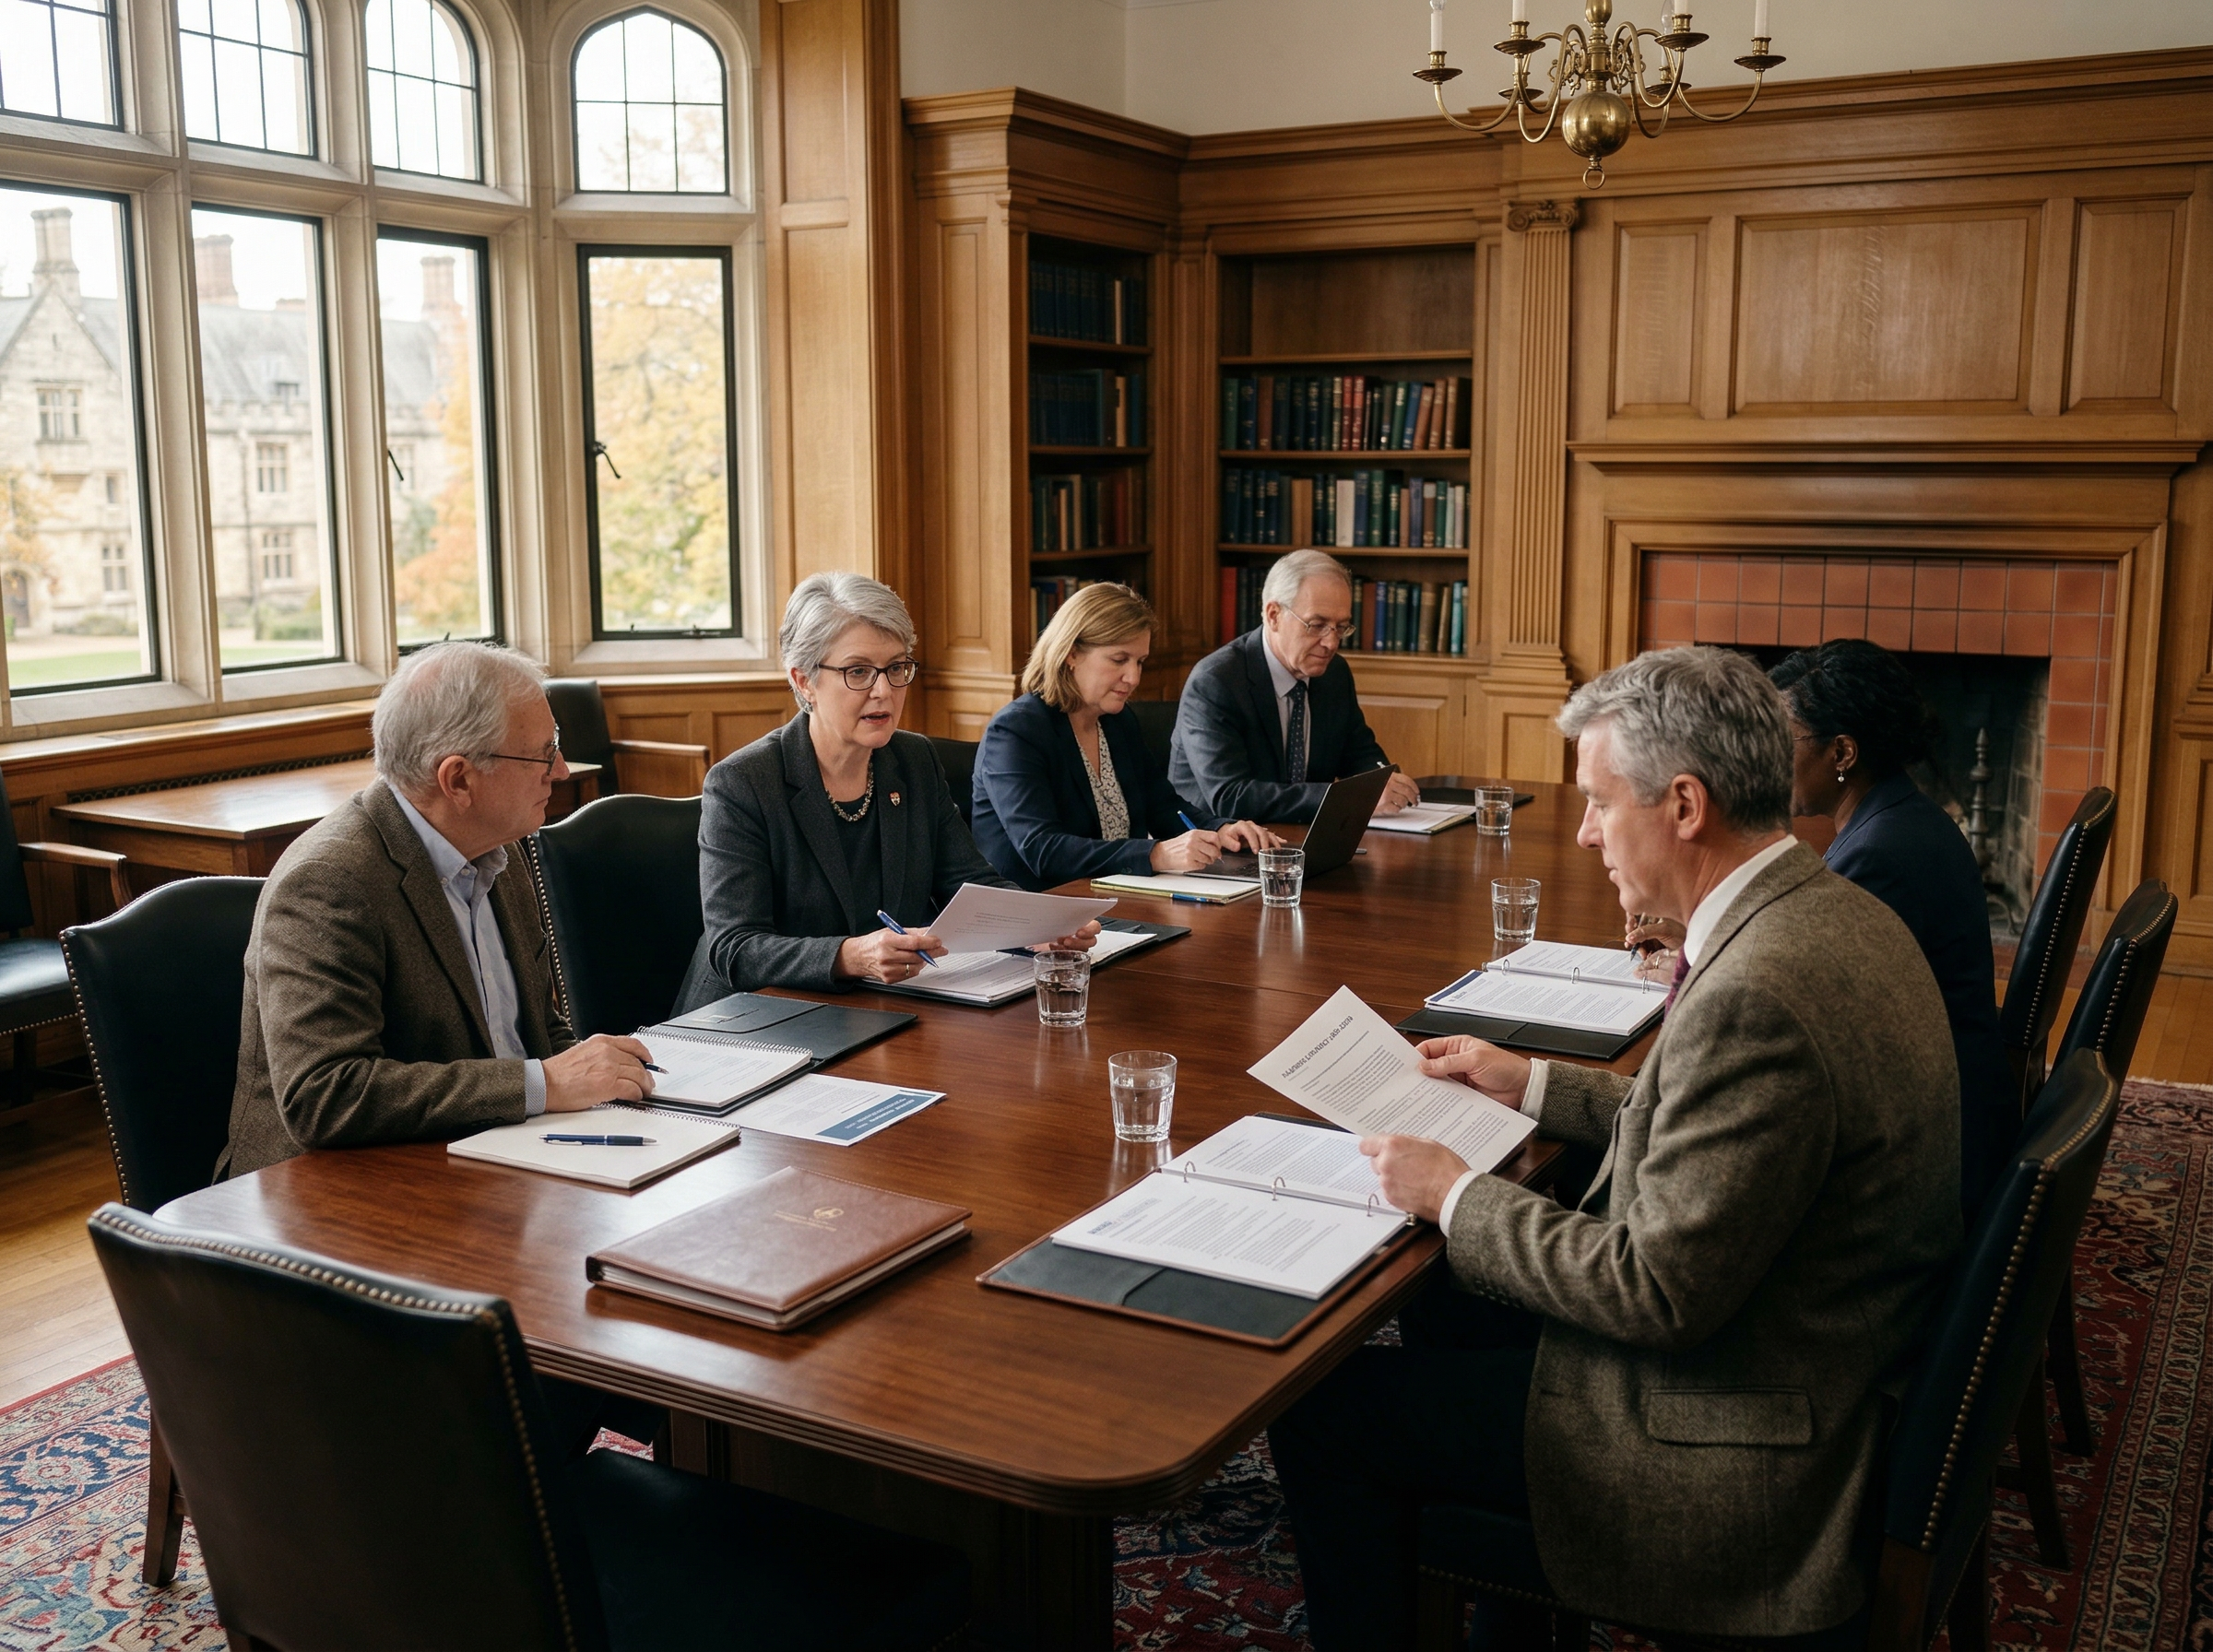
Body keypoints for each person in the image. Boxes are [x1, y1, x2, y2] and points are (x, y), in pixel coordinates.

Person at [1268, 646, 1960, 1648]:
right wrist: (1534, 1082)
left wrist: (1453, 1190)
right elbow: (1710, 1121)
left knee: (1327, 1412)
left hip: (1737, 1446)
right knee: (1457, 1309)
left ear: (1685, 804)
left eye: (1599, 801)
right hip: (1808, 1346)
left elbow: (1654, 1291)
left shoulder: (1756, 993)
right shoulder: (1824, 909)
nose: (1586, 831)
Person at [219, 641, 656, 1182]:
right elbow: (324, 1095)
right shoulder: (329, 881)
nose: (562, 770)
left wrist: (611, 1086)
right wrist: (543, 1084)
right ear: (458, 779)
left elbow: (535, 1032)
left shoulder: (501, 847)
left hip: (488, 1152)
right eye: (544, 753)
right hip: (328, 1190)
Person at [676, 572, 1096, 1007]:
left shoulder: (913, 760)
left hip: (878, 1007)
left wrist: (1040, 928)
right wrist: (849, 956)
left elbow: (968, 882)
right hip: (757, 1018)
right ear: (804, 681)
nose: (883, 691)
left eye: (896, 668)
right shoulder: (743, 782)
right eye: (858, 671)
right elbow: (734, 947)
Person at [971, 583, 1278, 891]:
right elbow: (1043, 850)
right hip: (1035, 912)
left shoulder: (1117, 720)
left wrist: (1220, 828)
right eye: (1119, 660)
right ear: (1071, 654)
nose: (1133, 678)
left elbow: (1163, 807)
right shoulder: (1015, 732)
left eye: (1140, 661)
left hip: (1111, 900)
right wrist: (1155, 854)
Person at [1167, 549, 1421, 823]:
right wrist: (1348, 797)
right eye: (1317, 625)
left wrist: (1381, 781)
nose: (1331, 643)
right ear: (1274, 615)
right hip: (1216, 847)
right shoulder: (1217, 681)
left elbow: (1359, 752)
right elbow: (1230, 797)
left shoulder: (1333, 673)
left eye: (1341, 627)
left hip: (1303, 840)